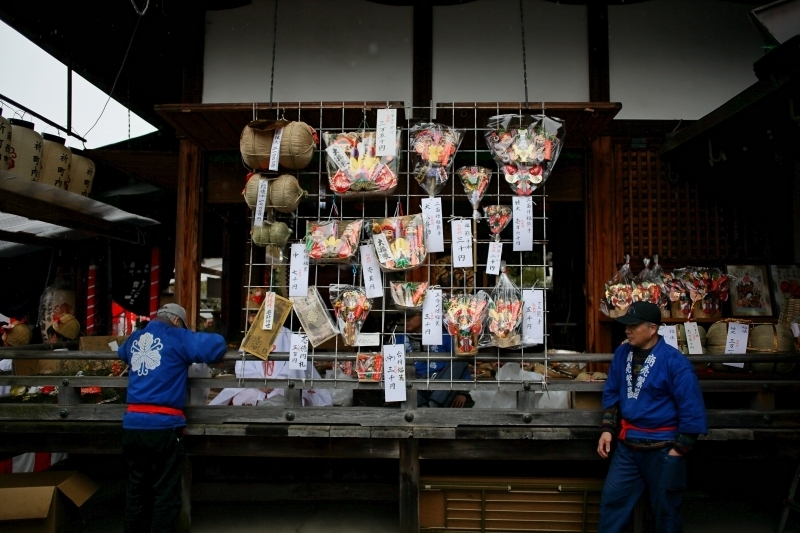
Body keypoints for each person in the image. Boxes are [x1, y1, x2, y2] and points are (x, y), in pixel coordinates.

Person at [597, 301, 707, 533]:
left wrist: (678, 451)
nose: (627, 330)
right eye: (626, 325)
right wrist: (608, 429)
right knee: (612, 502)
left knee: (666, 512)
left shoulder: (675, 362)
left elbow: (692, 409)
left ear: (652, 328)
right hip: (628, 447)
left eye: (634, 326)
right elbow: (612, 392)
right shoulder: (622, 352)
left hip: (663, 449)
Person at [118, 303, 226, 533]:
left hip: (133, 425)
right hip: (163, 426)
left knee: (136, 491)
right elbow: (216, 345)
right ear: (177, 322)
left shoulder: (136, 338)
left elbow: (121, 352)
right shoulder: (178, 337)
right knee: (165, 494)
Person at [397, 313, 471, 408]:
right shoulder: (400, 337)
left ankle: (433, 405)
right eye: (404, 316)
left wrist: (462, 393)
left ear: (424, 315)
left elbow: (460, 365)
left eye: (411, 316)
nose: (406, 320)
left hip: (440, 380)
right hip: (415, 381)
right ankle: (428, 406)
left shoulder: (444, 335)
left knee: (460, 360)